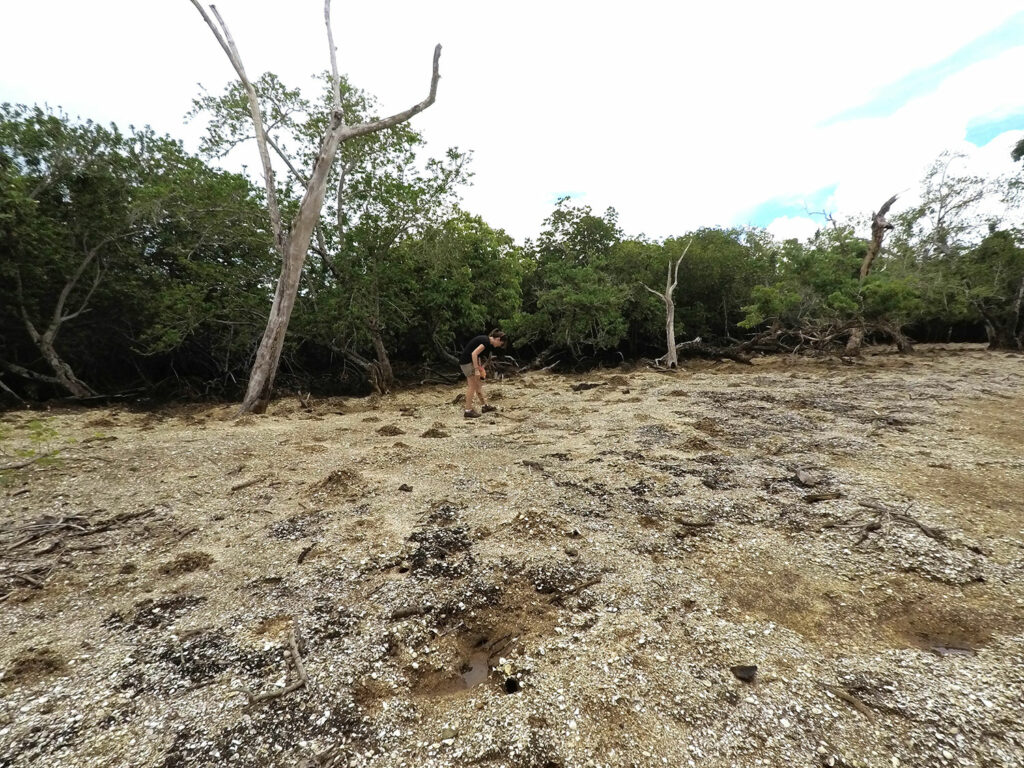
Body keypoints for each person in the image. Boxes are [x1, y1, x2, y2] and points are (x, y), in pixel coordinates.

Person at [458, 329, 507, 418]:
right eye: (501, 344)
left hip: (469, 362)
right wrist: (476, 370)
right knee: (472, 386)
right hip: (466, 363)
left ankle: (485, 406)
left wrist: (480, 368)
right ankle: (468, 410)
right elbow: (474, 354)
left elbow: (478, 356)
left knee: (478, 385)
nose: (499, 346)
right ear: (498, 339)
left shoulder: (485, 340)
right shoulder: (485, 342)